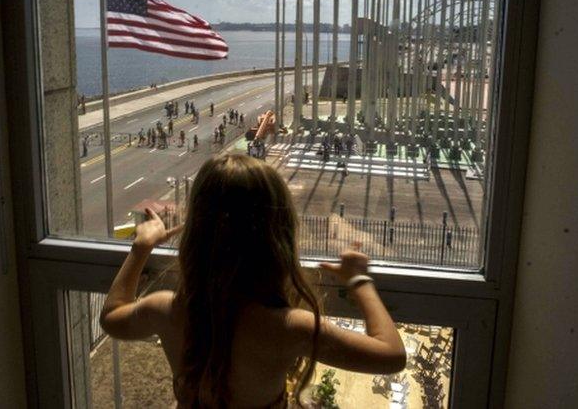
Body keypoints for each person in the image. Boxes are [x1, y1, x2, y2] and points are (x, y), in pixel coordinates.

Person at [99, 155, 405, 407]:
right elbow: (391, 357)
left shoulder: (165, 310)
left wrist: (140, 249)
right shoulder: (289, 327)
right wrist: (359, 280)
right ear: (278, 237)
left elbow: (112, 316)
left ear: (195, 235)